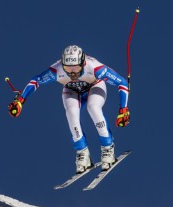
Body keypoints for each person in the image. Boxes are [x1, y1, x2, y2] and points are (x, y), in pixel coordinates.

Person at [8, 45, 130, 173]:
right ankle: (82, 152)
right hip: (71, 90)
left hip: (94, 86)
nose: (72, 72)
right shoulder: (57, 69)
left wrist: (123, 109)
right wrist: (20, 100)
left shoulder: (94, 68)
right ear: (62, 64)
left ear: (83, 63)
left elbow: (121, 82)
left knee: (93, 107)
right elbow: (36, 81)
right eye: (67, 68)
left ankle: (107, 148)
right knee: (71, 112)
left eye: (76, 68)